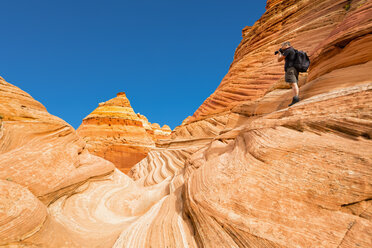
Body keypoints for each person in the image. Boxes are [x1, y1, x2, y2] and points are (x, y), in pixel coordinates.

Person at [277, 41, 300, 106]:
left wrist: (279, 53)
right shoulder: (293, 50)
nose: (281, 47)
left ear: (286, 45)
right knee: (294, 83)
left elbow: (279, 60)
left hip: (290, 69)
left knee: (293, 84)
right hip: (294, 69)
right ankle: (296, 97)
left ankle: (296, 99)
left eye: (282, 46)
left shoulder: (288, 50)